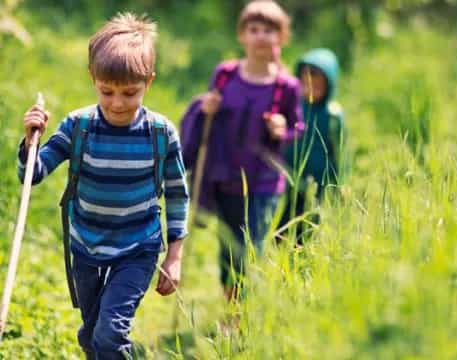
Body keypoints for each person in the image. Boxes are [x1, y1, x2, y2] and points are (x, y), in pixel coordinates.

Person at [18, 13, 189, 359]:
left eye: (130, 92)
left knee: (110, 333)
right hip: (86, 246)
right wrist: (29, 142)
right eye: (106, 91)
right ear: (93, 79)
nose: (117, 103)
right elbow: (32, 174)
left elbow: (176, 193)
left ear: (149, 82)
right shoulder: (78, 126)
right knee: (92, 333)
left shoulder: (160, 134)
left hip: (138, 247)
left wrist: (174, 256)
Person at [180, 0, 303, 300]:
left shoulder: (286, 86)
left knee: (250, 246)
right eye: (254, 29)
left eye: (269, 30)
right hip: (224, 177)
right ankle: (231, 309)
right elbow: (204, 117)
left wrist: (282, 129)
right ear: (242, 36)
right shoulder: (225, 74)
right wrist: (205, 109)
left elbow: (298, 129)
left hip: (263, 182)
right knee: (228, 248)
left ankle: (243, 313)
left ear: (282, 37)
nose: (261, 36)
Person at [281, 48, 345, 244]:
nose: (310, 91)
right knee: (282, 225)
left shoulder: (332, 115)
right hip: (288, 178)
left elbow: (341, 151)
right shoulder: (292, 107)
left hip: (319, 184)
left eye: (317, 87)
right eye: (306, 85)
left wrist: (340, 182)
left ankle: (301, 259)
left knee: (308, 227)